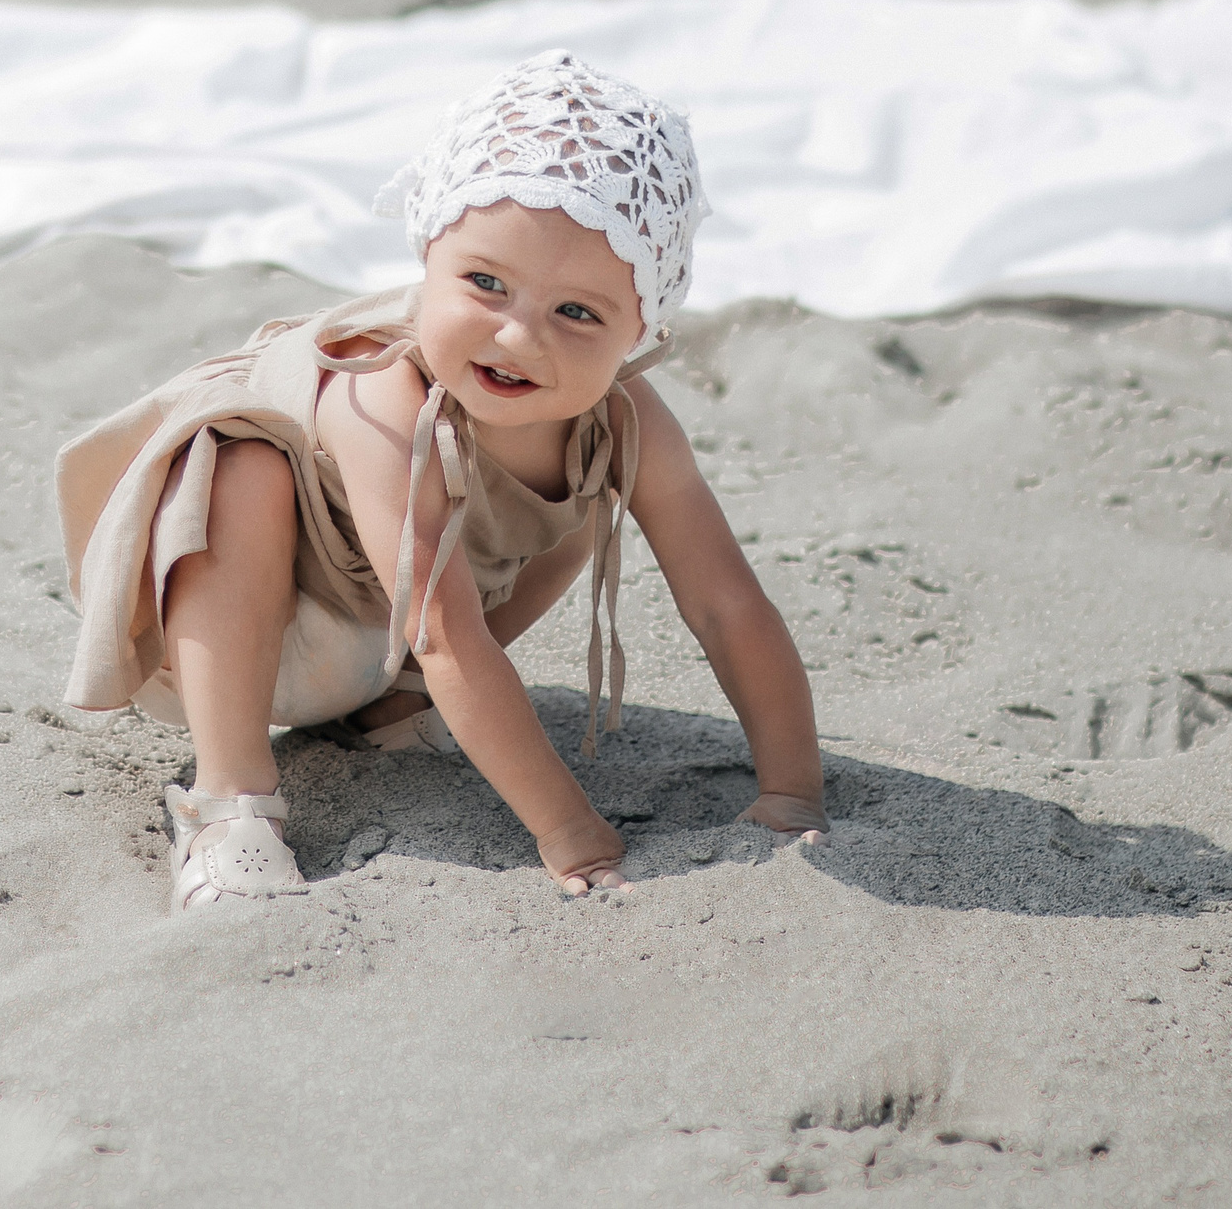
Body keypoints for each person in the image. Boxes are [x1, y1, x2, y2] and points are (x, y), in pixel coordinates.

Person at [58, 49, 830, 912]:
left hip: (383, 653)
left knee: (587, 495)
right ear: (428, 254)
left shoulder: (626, 417)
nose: (515, 338)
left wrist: (792, 791)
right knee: (244, 466)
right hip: (236, 635)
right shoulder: (382, 393)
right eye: (485, 283)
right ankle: (231, 805)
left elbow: (727, 604)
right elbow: (447, 634)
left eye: (577, 313)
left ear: (643, 326)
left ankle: (390, 711)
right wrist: (570, 832)